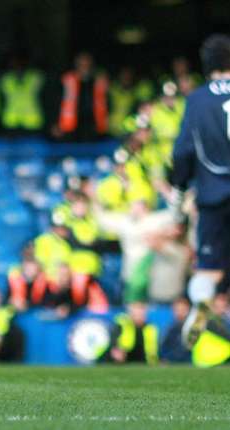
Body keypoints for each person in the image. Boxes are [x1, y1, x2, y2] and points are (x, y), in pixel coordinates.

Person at [170, 34, 230, 347]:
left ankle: (201, 305)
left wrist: (180, 189)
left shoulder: (197, 98)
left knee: (209, 269)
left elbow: (182, 152)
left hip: (213, 195)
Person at [53, 52, 109, 142]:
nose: (84, 67)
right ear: (76, 65)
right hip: (70, 128)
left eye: (87, 64)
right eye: (81, 64)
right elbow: (55, 102)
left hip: (94, 128)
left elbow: (108, 102)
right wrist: (54, 123)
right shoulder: (67, 80)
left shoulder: (99, 81)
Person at [160, 297, 192, 363]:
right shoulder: (169, 328)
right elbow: (164, 347)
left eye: (183, 310)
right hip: (171, 361)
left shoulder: (192, 328)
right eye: (177, 310)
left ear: (188, 310)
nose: (180, 312)